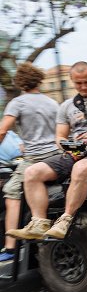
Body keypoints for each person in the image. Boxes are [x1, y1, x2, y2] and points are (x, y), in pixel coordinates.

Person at [6, 61, 87, 240]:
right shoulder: (66, 106)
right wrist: (66, 144)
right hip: (77, 153)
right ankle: (39, 222)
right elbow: (59, 136)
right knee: (32, 172)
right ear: (72, 81)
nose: (83, 86)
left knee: (80, 169)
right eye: (78, 83)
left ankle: (66, 219)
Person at [0, 63, 59, 262]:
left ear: (19, 82)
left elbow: (2, 130)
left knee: (11, 191)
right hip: (55, 156)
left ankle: (9, 248)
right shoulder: (52, 103)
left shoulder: (18, 103)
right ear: (39, 80)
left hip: (34, 159)